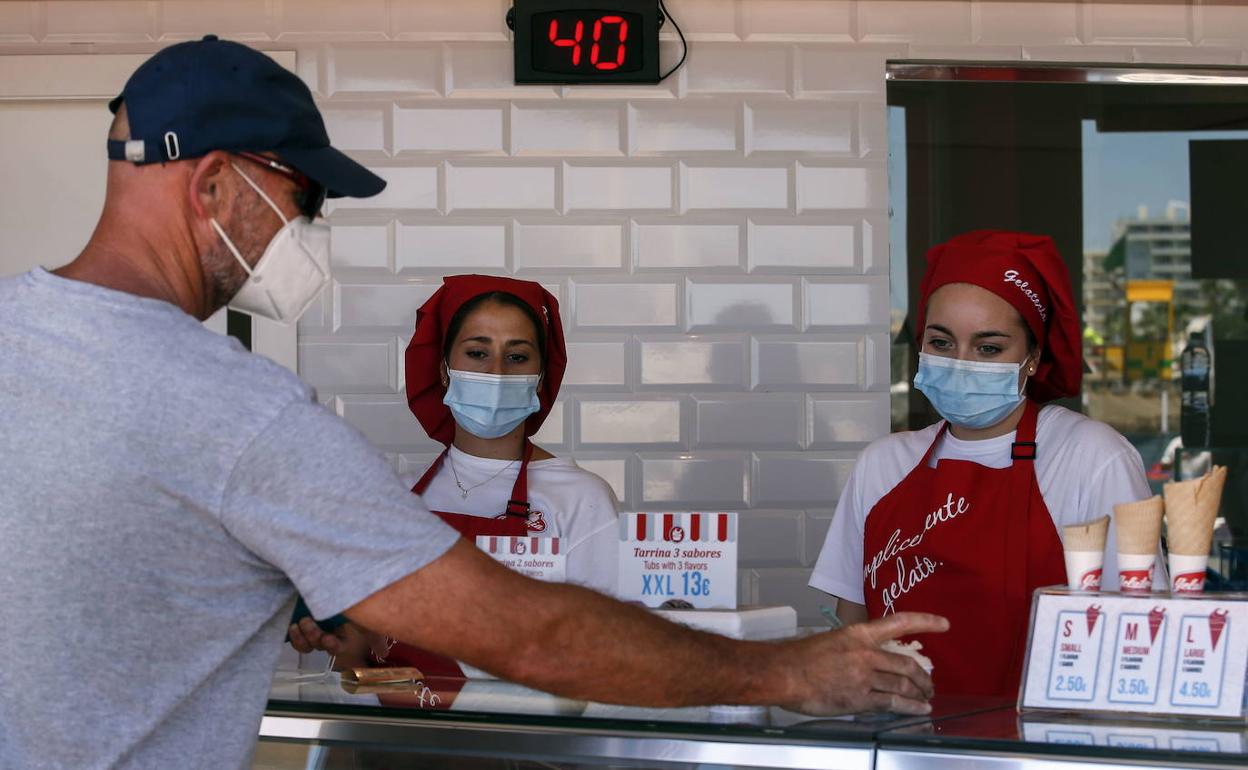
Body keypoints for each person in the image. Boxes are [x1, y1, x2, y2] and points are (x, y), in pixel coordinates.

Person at [0, 36, 944, 769]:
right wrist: (788, 670)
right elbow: (533, 635)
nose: (307, 228)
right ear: (216, 184)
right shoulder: (241, 412)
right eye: (302, 198)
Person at [810, 230, 1153, 699]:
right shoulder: (883, 464)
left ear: (1032, 357)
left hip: (1038, 745)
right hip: (901, 742)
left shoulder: (1089, 456)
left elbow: (1141, 630)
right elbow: (850, 634)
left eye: (989, 348)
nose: (961, 362)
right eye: (942, 342)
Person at [301, 275, 620, 674]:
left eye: (517, 357)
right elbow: (357, 658)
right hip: (396, 731)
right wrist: (335, 638)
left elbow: (603, 653)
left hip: (518, 731)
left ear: (540, 378)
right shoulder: (398, 499)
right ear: (445, 370)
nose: (496, 372)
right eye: (476, 353)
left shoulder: (581, 499)